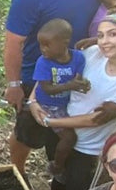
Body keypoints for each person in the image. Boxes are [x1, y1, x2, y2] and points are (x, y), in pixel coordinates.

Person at [3, 0, 100, 175]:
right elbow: (14, 42)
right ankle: (18, 173)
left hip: (78, 73)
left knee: (67, 133)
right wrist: (14, 84)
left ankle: (60, 176)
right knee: (27, 133)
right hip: (40, 76)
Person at [41, 13, 116, 190]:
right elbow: (54, 72)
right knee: (58, 180)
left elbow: (94, 120)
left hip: (87, 146)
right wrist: (33, 102)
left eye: (113, 34)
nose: (104, 41)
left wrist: (50, 121)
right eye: (100, 35)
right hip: (60, 131)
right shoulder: (92, 53)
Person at [28, 19, 88, 180]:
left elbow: (79, 80)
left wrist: (83, 85)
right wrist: (70, 85)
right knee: (70, 137)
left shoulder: (79, 58)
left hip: (67, 103)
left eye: (47, 45)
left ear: (65, 42)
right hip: (49, 105)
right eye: (40, 44)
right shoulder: (43, 62)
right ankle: (57, 167)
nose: (42, 49)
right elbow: (46, 88)